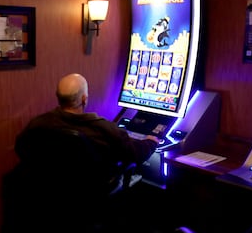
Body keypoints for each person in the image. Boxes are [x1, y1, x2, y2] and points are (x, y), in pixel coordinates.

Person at [17, 73, 159, 171]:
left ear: (58, 97)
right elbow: (135, 154)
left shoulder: (38, 124)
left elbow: (21, 148)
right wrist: (150, 142)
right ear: (84, 99)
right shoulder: (103, 129)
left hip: (50, 193)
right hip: (92, 193)